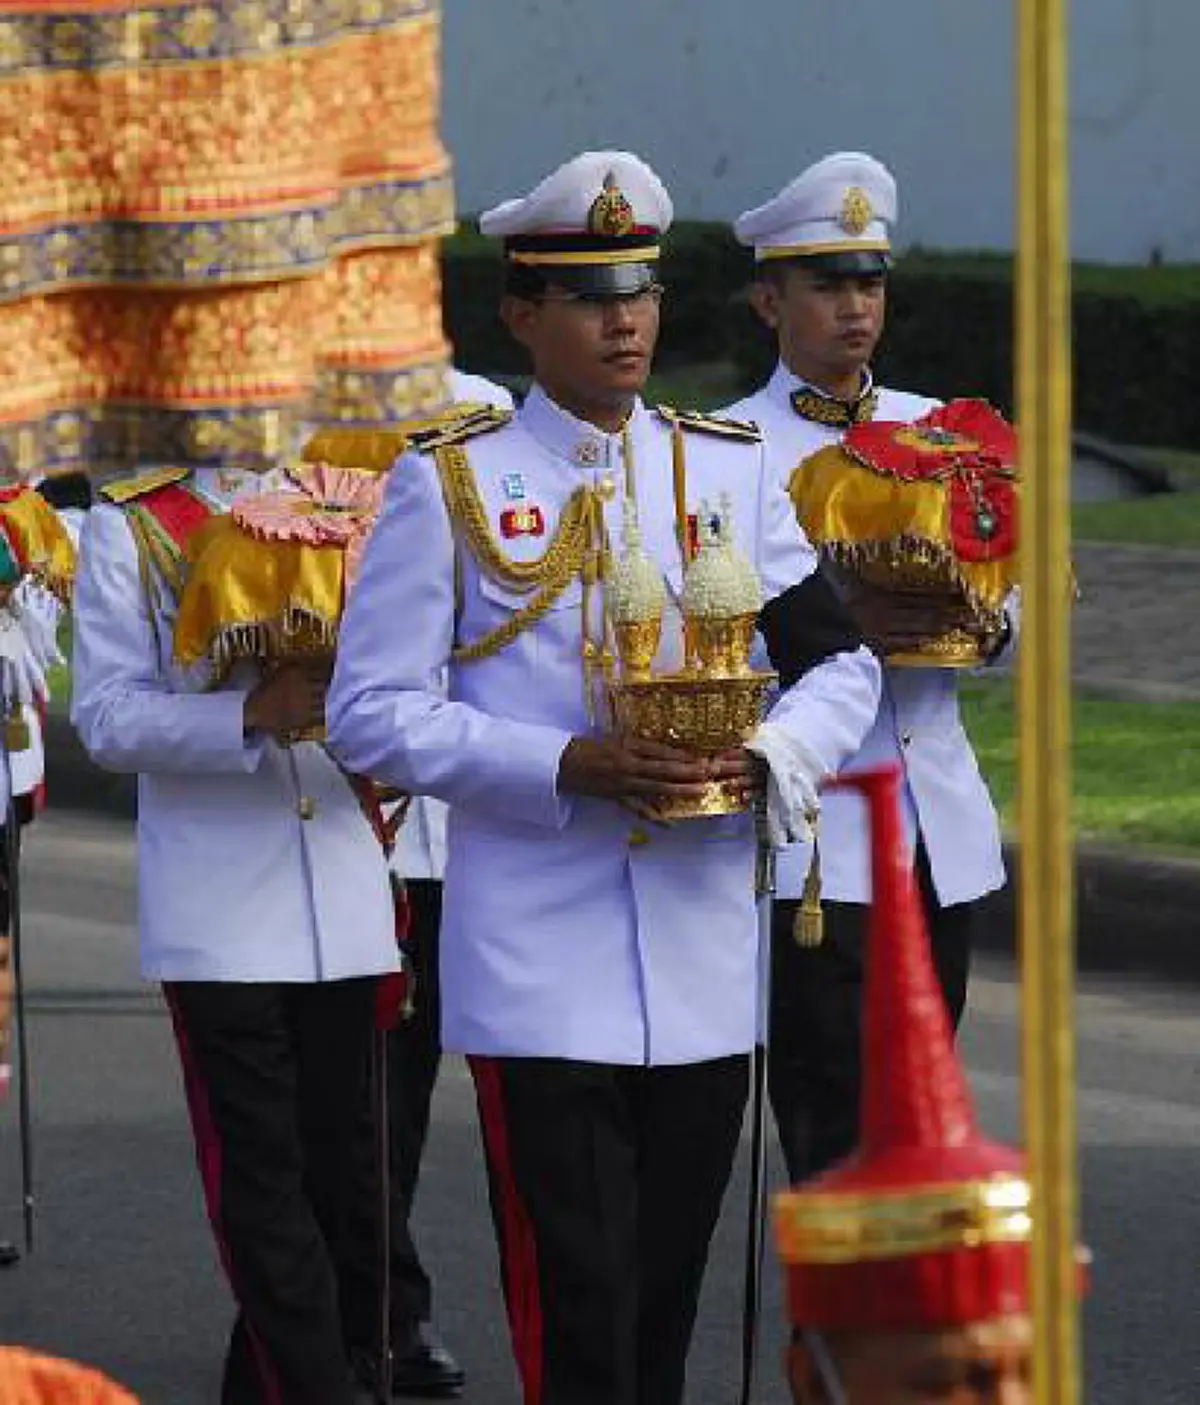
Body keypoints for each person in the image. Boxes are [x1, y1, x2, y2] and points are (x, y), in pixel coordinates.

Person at [327, 149, 880, 1405]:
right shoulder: (451, 478)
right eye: (587, 297)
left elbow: (841, 665)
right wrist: (560, 763)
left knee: (668, 1293)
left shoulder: (728, 469)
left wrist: (767, 754)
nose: (623, 319)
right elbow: (370, 712)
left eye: (637, 292)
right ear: (522, 316)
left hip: (696, 959)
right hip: (539, 961)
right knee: (579, 1297)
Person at [71, 459, 401, 1405]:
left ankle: (289, 1379)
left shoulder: (351, 495)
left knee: (349, 1177)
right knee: (262, 1174)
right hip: (220, 906)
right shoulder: (132, 525)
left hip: (340, 888)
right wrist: (249, 711)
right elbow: (104, 716)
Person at [723, 152, 1018, 1182]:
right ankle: (832, 1342)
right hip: (822, 838)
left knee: (923, 1129)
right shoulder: (728, 449)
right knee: (834, 1133)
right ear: (770, 300)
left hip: (937, 826)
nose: (855, 307)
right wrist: (840, 627)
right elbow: (718, 638)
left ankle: (898, 1335)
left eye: (870, 282)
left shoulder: (939, 429)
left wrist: (972, 618)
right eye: (827, 284)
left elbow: (1009, 596)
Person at [773, 763, 1084, 1405]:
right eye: (949, 1382)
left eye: (1034, 1373)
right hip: (818, 860)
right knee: (842, 1143)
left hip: (936, 833)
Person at [380, 369, 512, 1398]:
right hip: (349, 817)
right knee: (349, 1096)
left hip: (452, 827)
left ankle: (384, 1301)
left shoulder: (489, 413)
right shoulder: (305, 412)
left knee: (406, 1091)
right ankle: (368, 1300)